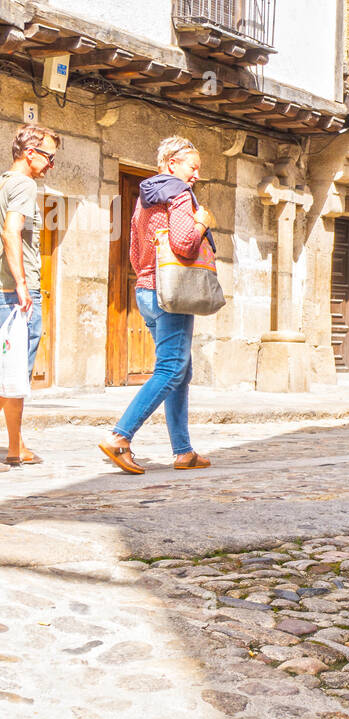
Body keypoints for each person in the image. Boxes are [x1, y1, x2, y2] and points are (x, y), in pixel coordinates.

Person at [98, 136, 216, 474]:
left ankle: (183, 451)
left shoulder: (145, 196)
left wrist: (147, 277)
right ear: (172, 164)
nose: (196, 175)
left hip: (147, 291)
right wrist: (201, 222)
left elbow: (135, 250)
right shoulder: (178, 194)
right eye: (193, 167)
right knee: (171, 369)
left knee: (180, 370)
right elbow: (184, 245)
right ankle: (120, 436)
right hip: (171, 294)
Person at [0, 123, 61, 469]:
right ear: (30, 153)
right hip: (16, 292)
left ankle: (16, 446)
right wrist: (22, 284)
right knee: (14, 374)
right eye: (49, 158)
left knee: (9, 373)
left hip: (5, 288)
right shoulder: (23, 184)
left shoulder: (4, 182)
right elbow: (11, 232)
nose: (51, 165)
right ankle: (14, 446)